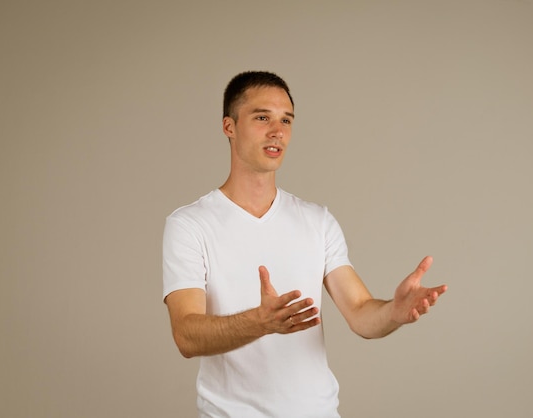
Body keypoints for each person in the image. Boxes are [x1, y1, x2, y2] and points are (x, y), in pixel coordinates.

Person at [162, 71, 448, 417]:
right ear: (229, 127)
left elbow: (360, 313)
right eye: (262, 117)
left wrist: (394, 313)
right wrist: (260, 321)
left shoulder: (317, 220)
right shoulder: (190, 224)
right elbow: (186, 335)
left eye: (286, 120)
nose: (277, 131)